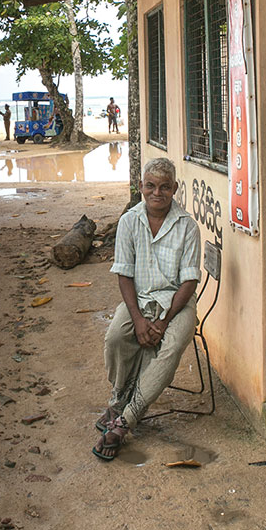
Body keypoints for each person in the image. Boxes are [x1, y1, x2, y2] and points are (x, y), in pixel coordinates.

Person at [93, 158, 201, 461]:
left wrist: (164, 321)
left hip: (177, 304)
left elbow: (189, 281)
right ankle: (118, 397)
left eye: (165, 187)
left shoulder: (187, 227)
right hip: (138, 300)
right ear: (141, 187)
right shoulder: (129, 221)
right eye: (151, 186)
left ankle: (125, 419)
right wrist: (139, 320)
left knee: (172, 347)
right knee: (116, 335)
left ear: (174, 189)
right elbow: (124, 274)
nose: (157, 193)